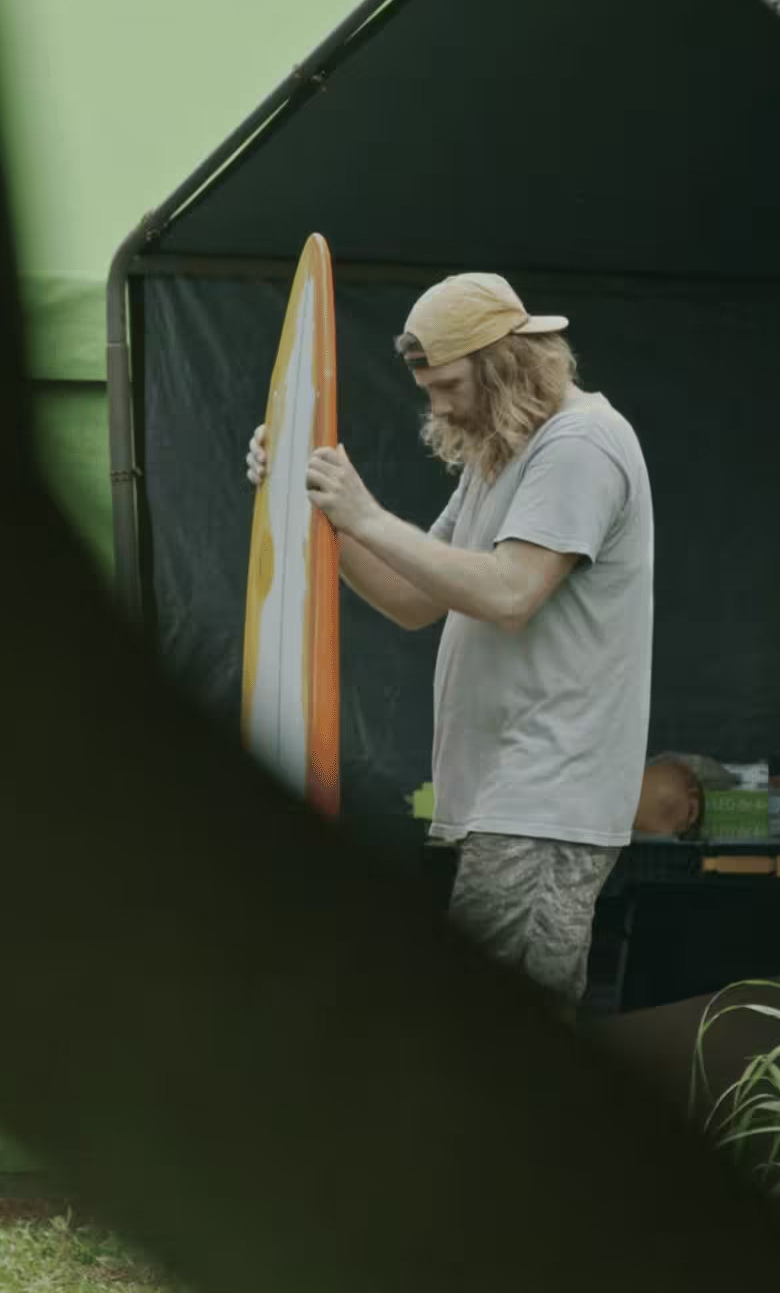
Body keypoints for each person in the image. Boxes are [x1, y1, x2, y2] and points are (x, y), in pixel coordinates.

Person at [245, 272, 654, 1011]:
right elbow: (412, 597)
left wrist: (365, 515)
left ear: (505, 365)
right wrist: (315, 506)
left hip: (543, 797)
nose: (437, 406)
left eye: (449, 385)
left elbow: (509, 593)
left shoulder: (581, 443)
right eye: (427, 388)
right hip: (506, 797)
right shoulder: (503, 454)